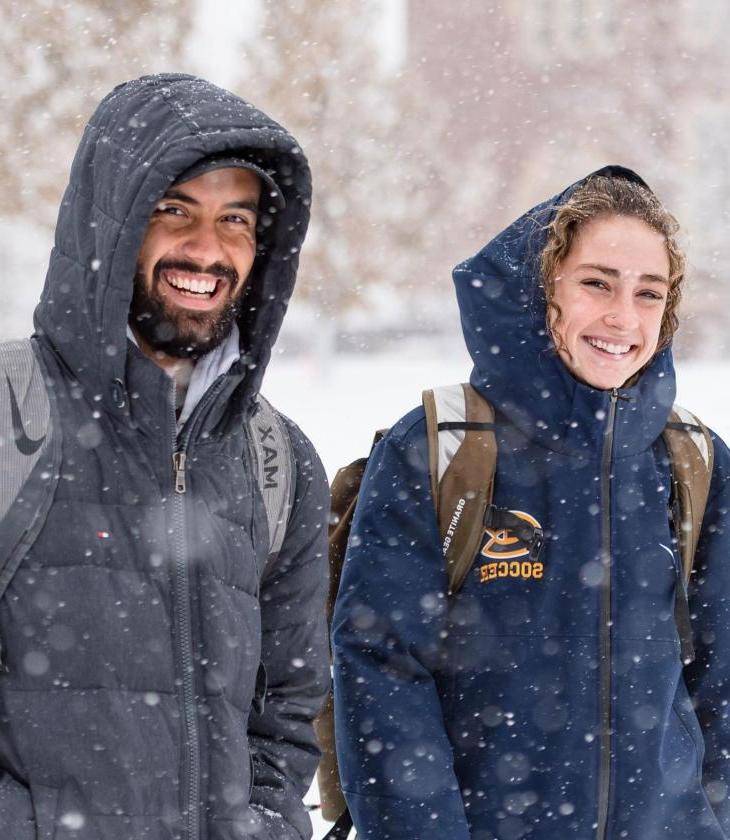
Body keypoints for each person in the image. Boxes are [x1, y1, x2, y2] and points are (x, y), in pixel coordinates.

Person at [332, 167, 730, 839]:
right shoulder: (444, 448)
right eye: (596, 283)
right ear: (541, 284)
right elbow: (383, 676)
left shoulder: (692, 460)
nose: (622, 317)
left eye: (648, 293)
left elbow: (722, 686)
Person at [0, 74, 329, 839]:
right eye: (173, 210)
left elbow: (287, 708)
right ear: (111, 227)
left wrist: (266, 826)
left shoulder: (278, 462)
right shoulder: (11, 413)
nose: (207, 249)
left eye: (236, 220)